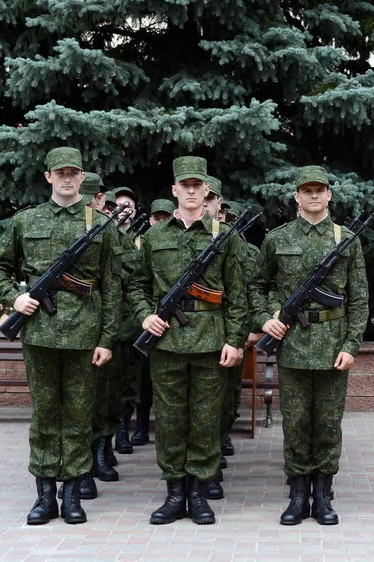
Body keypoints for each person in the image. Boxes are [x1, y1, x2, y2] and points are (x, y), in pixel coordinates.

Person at [0, 147, 122, 525]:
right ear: (48, 177)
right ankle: (45, 496)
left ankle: (73, 496)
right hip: (40, 335)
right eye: (59, 172)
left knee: (79, 418)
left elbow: (112, 287)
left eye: (73, 173)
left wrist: (107, 339)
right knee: (45, 416)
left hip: (84, 336)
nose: (66, 178)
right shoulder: (25, 222)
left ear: (82, 177)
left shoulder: (101, 226)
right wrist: (16, 296)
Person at [128, 156, 248, 525]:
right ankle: (174, 492)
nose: (192, 190)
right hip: (166, 343)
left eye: (198, 185)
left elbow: (238, 294)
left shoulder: (224, 237)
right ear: (175, 190)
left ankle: (198, 493)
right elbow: (136, 284)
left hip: (211, 343)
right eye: (185, 185)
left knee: (206, 420)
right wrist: (144, 314)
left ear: (207, 190)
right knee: (169, 420)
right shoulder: (154, 237)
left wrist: (235, 339)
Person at [250, 165, 369, 526]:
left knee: (329, 424)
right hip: (293, 345)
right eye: (307, 190)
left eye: (320, 190)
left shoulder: (346, 238)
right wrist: (265, 318)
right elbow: (258, 286)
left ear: (329, 195)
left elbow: (360, 300)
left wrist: (351, 345)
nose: (314, 195)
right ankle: (299, 494)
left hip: (333, 346)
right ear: (297, 196)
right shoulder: (277, 239)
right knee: (297, 423)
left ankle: (323, 495)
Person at [130, 198, 176, 447]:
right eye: (156, 218)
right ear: (149, 220)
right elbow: (138, 284)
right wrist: (145, 315)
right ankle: (140, 426)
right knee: (142, 382)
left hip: (169, 329)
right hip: (146, 324)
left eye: (164, 218)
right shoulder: (145, 242)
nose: (160, 222)